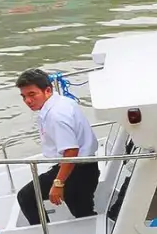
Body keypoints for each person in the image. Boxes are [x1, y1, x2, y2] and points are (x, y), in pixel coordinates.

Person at [13, 68, 98, 225]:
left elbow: (71, 151)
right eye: (24, 96)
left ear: (47, 90)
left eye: (32, 95)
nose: (27, 101)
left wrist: (58, 183)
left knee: (27, 196)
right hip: (83, 167)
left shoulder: (56, 115)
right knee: (83, 212)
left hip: (78, 171)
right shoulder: (60, 102)